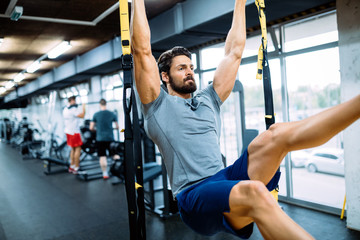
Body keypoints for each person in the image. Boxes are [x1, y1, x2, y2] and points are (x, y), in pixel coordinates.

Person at [130, 0, 360, 239]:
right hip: (194, 195)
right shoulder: (157, 106)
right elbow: (142, 50)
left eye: (191, 66)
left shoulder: (208, 98)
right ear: (164, 76)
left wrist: (240, 2)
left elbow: (234, 51)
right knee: (256, 192)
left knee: (276, 134)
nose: (189, 71)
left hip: (225, 178)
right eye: (181, 68)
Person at [89, 99, 119, 179]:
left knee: (102, 156)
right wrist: (110, 129)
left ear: (100, 104)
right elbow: (117, 127)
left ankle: (105, 173)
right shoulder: (112, 114)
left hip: (100, 138)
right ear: (106, 104)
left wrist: (97, 130)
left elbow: (91, 127)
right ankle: (118, 170)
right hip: (110, 138)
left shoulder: (96, 114)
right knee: (115, 154)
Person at [63, 96, 86, 174]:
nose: (75, 102)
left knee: (73, 149)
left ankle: (72, 166)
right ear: (72, 101)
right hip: (74, 132)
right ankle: (76, 167)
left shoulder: (65, 109)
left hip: (68, 131)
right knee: (78, 149)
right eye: (75, 101)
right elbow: (82, 116)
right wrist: (84, 107)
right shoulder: (73, 109)